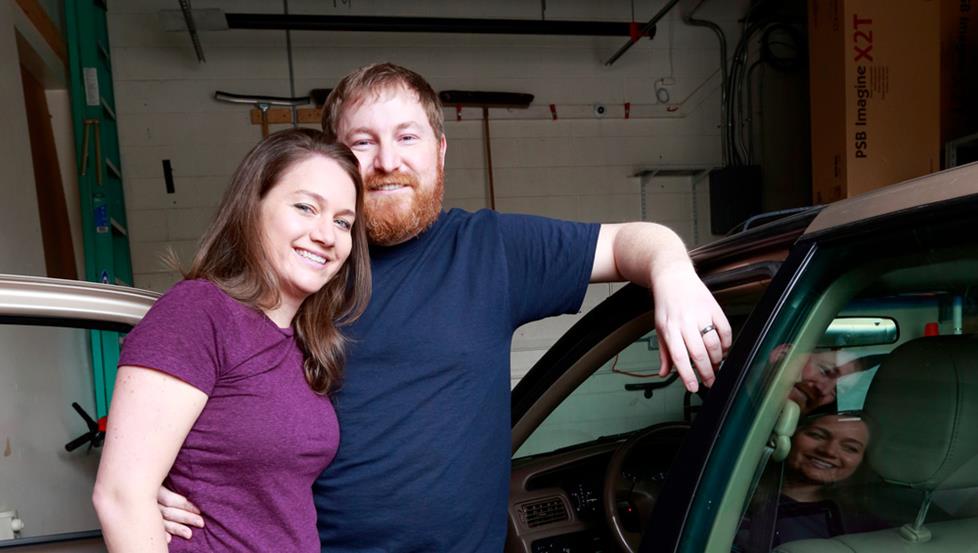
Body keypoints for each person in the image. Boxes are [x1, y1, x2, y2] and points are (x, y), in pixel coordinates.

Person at [159, 63, 732, 552]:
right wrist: (158, 483)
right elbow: (211, 398)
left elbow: (631, 241)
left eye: (406, 137)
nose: (386, 161)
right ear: (334, 161)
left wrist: (672, 272)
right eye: (362, 143)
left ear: (438, 151)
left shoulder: (491, 249)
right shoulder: (302, 268)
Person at [92, 129, 371, 551]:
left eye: (342, 222)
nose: (327, 235)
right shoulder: (197, 312)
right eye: (305, 207)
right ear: (252, 207)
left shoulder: (304, 342)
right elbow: (120, 497)